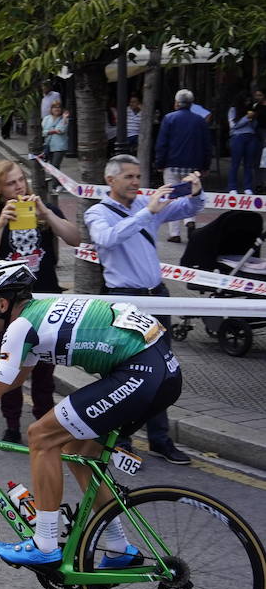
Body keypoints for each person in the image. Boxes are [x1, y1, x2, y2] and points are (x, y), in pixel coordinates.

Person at [0, 260, 181, 567]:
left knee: (41, 436)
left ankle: (45, 544)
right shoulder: (36, 315)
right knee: (77, 448)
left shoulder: (20, 327)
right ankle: (118, 547)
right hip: (162, 370)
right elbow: (8, 380)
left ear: (2, 303)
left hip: (139, 371)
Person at [83, 154, 202, 464]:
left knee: (163, 371)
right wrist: (147, 212)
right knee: (127, 374)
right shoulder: (98, 212)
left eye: (139, 176)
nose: (137, 182)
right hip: (124, 301)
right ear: (111, 180)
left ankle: (160, 440)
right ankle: (120, 439)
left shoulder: (144, 204)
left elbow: (189, 208)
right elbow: (106, 239)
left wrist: (195, 191)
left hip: (157, 297)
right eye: (130, 177)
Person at [0, 160, 81, 442]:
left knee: (44, 373)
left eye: (20, 180)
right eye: (11, 183)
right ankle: (12, 426)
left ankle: (44, 425)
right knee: (9, 370)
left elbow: (75, 238)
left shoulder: (41, 210)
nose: (19, 186)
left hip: (46, 304)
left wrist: (46, 212)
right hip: (9, 309)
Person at [155, 89, 212, 242]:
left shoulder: (169, 119)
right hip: (193, 166)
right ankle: (190, 221)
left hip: (172, 164)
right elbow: (207, 145)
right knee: (191, 193)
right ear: (191, 104)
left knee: (171, 197)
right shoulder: (200, 120)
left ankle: (174, 233)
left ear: (176, 103)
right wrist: (205, 166)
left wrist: (160, 163)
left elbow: (162, 144)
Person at [226, 95, 257, 196]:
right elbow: (234, 126)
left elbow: (254, 126)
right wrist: (246, 118)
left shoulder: (251, 110)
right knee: (235, 163)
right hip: (238, 137)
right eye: (246, 100)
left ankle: (247, 187)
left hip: (251, 137)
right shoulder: (233, 110)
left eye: (249, 100)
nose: (247, 103)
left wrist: (253, 119)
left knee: (249, 164)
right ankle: (232, 187)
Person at [41, 100, 69, 170]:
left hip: (59, 146)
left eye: (59, 107)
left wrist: (65, 118)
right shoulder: (46, 118)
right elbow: (43, 132)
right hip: (48, 145)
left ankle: (55, 181)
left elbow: (61, 130)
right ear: (51, 109)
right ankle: (56, 181)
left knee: (55, 166)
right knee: (51, 167)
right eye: (54, 107)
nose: (57, 109)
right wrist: (54, 131)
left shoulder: (64, 119)